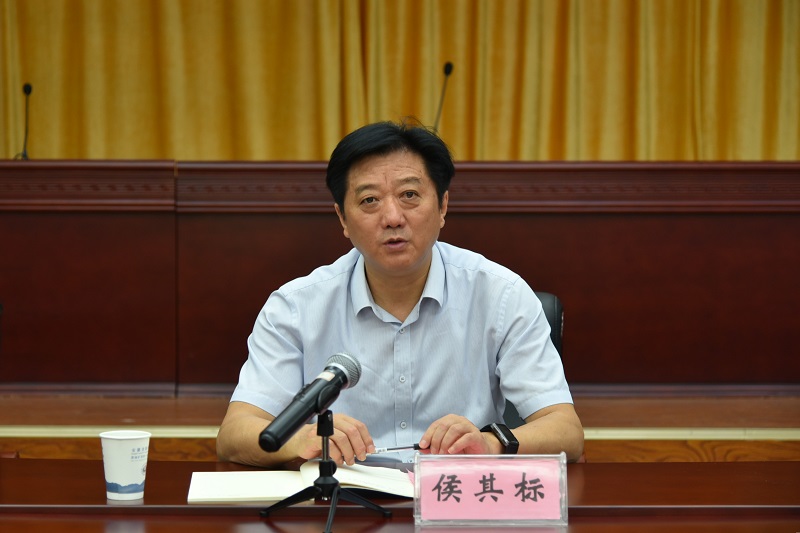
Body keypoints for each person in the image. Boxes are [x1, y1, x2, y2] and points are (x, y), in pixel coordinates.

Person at [216, 120, 584, 467]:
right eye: (369, 200)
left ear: (442, 206)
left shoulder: (502, 295)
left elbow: (566, 431)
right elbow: (234, 434)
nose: (392, 217)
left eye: (409, 195)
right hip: (343, 500)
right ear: (342, 219)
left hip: (455, 497)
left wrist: (490, 443)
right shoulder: (295, 307)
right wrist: (301, 440)